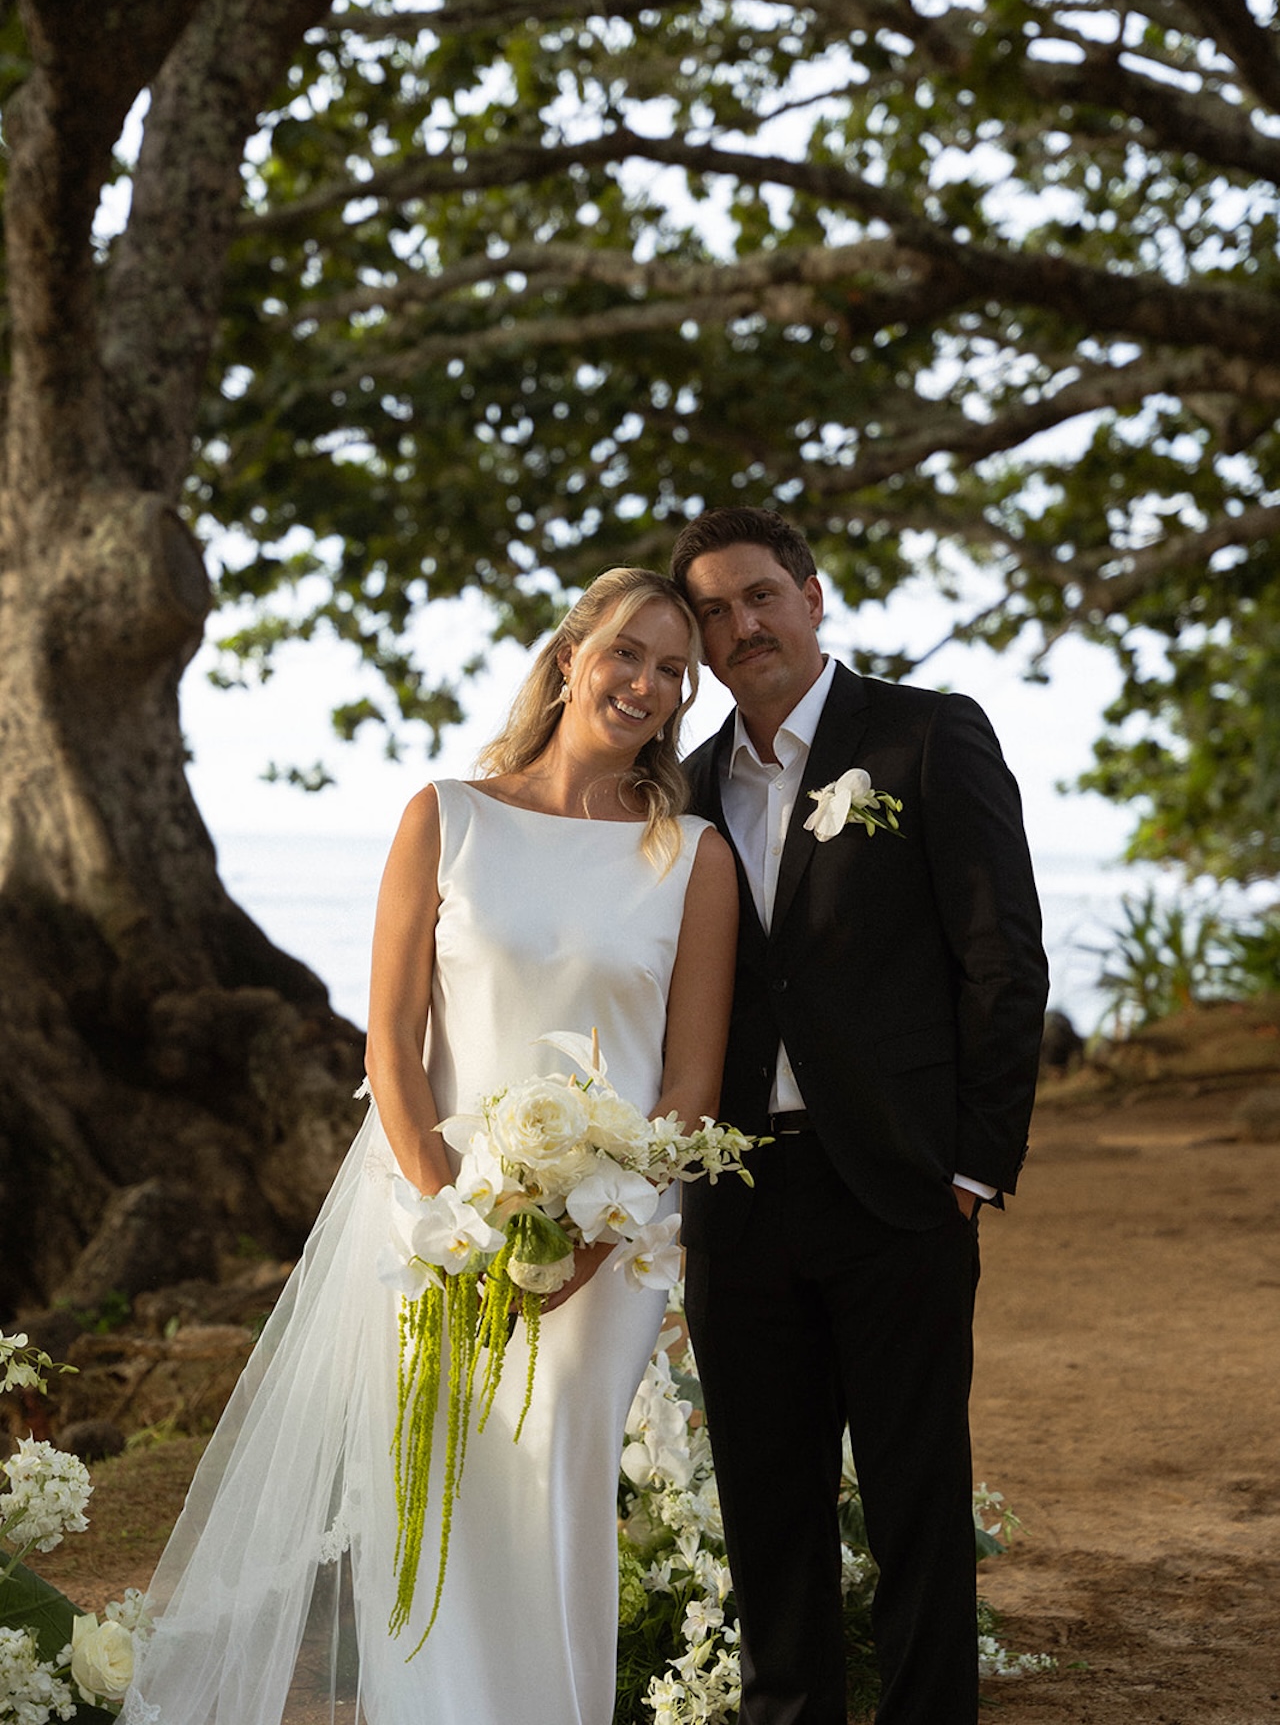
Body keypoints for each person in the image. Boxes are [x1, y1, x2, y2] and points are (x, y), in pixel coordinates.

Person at [123, 568, 737, 1725]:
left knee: (555, 1490)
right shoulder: (446, 817)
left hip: (609, 1249)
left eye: (671, 672)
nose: (646, 686)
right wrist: (460, 1218)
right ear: (570, 658)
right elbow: (392, 1052)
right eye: (627, 656)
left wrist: (586, 1241)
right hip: (438, 1228)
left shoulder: (690, 857)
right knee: (436, 1495)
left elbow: (691, 1086)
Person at [670, 507, 1048, 1725]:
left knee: (913, 1495)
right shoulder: (677, 791)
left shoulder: (926, 736)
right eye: (714, 613)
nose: (741, 626)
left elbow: (1002, 960)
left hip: (898, 1187)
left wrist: (976, 1166)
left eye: (758, 596)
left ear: (812, 596)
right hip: (736, 1198)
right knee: (766, 1506)